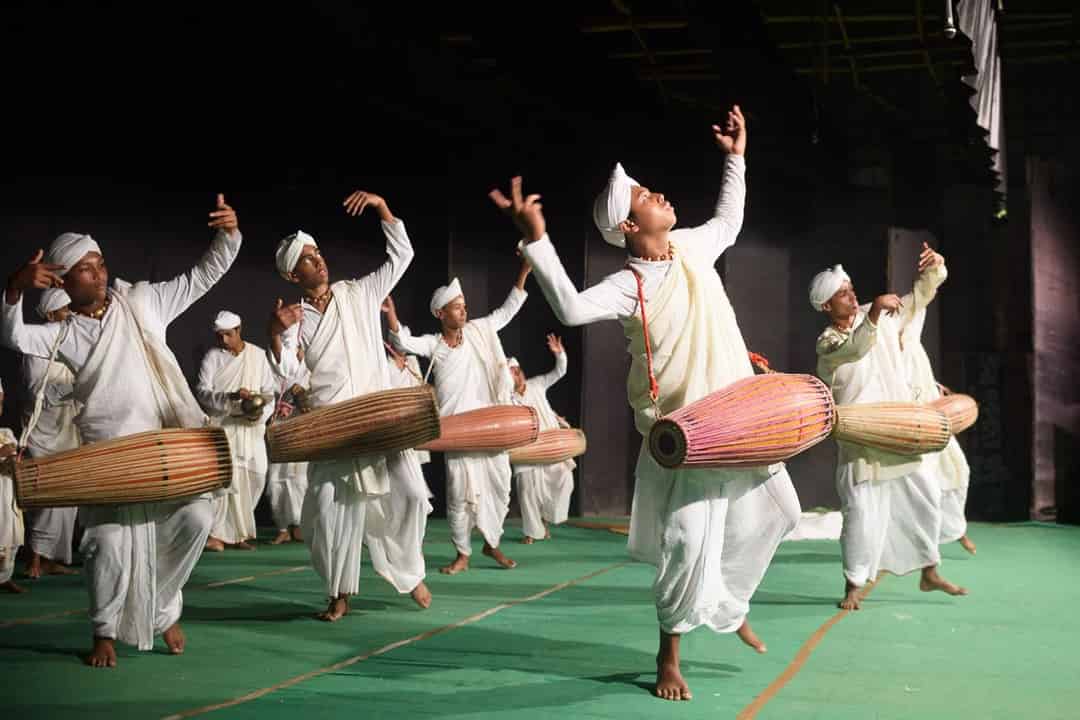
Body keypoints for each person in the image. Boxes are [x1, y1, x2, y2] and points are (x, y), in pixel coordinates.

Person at [492, 106, 801, 702]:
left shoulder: (690, 248)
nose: (657, 193)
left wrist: (735, 157)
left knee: (781, 511)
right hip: (686, 432)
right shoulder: (628, 284)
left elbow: (729, 221)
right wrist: (538, 242)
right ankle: (669, 658)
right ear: (630, 228)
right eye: (644, 196)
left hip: (739, 415)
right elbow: (573, 310)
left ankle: (727, 603)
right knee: (685, 540)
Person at [1, 194, 242, 667]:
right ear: (64, 281)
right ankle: (104, 631)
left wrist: (228, 235)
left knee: (196, 520)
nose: (100, 272)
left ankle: (161, 607)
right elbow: (13, 335)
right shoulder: (65, 333)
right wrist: (14, 288)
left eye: (101, 262)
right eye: (86, 268)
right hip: (109, 458)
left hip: (166, 448)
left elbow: (203, 276)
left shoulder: (144, 301)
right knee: (106, 544)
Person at [269, 190, 431, 620]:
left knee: (413, 495)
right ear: (292, 275)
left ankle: (409, 570)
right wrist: (274, 335)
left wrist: (382, 209)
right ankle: (338, 592)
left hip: (379, 417)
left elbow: (403, 256)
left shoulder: (358, 293)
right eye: (306, 258)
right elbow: (287, 375)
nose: (317, 260)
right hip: (333, 428)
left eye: (317, 252)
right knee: (325, 512)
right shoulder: (295, 320)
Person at [810, 243, 968, 613]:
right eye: (841, 295)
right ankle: (853, 583)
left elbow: (918, 299)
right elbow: (855, 349)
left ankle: (929, 571)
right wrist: (876, 313)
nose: (851, 297)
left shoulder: (877, 317)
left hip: (898, 430)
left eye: (850, 290)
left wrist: (935, 269)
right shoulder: (829, 342)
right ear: (825, 307)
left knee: (926, 496)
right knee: (861, 515)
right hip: (862, 441)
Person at [385, 262, 531, 575]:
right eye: (456, 308)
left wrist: (523, 272)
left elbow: (507, 310)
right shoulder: (434, 345)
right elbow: (403, 343)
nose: (463, 312)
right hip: (458, 432)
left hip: (491, 426)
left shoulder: (480, 332)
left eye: (464, 307)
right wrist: (392, 317)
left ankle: (492, 543)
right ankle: (462, 553)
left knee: (500, 486)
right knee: (459, 495)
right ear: (441, 314)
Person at [195, 310, 276, 551]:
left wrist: (259, 411)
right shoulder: (212, 357)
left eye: (228, 335)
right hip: (224, 426)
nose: (224, 341)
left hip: (251, 428)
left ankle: (238, 533)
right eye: (220, 336)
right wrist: (230, 397)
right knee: (225, 481)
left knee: (256, 475)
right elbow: (202, 392)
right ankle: (217, 534)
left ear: (239, 330)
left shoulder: (258, 356)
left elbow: (269, 392)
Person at [22, 289, 81, 578]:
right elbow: (38, 391)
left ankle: (51, 559)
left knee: (68, 495)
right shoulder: (36, 344)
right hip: (43, 431)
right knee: (48, 495)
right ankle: (34, 560)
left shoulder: (72, 342)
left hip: (67, 427)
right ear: (50, 315)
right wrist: (76, 387)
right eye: (65, 309)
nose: (71, 313)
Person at [507, 333, 574, 543]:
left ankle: (547, 517)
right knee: (527, 490)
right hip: (527, 449)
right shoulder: (507, 399)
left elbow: (559, 372)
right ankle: (532, 532)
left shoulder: (537, 384)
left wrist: (559, 354)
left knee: (564, 479)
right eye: (511, 373)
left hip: (551, 444)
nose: (516, 376)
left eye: (517, 372)